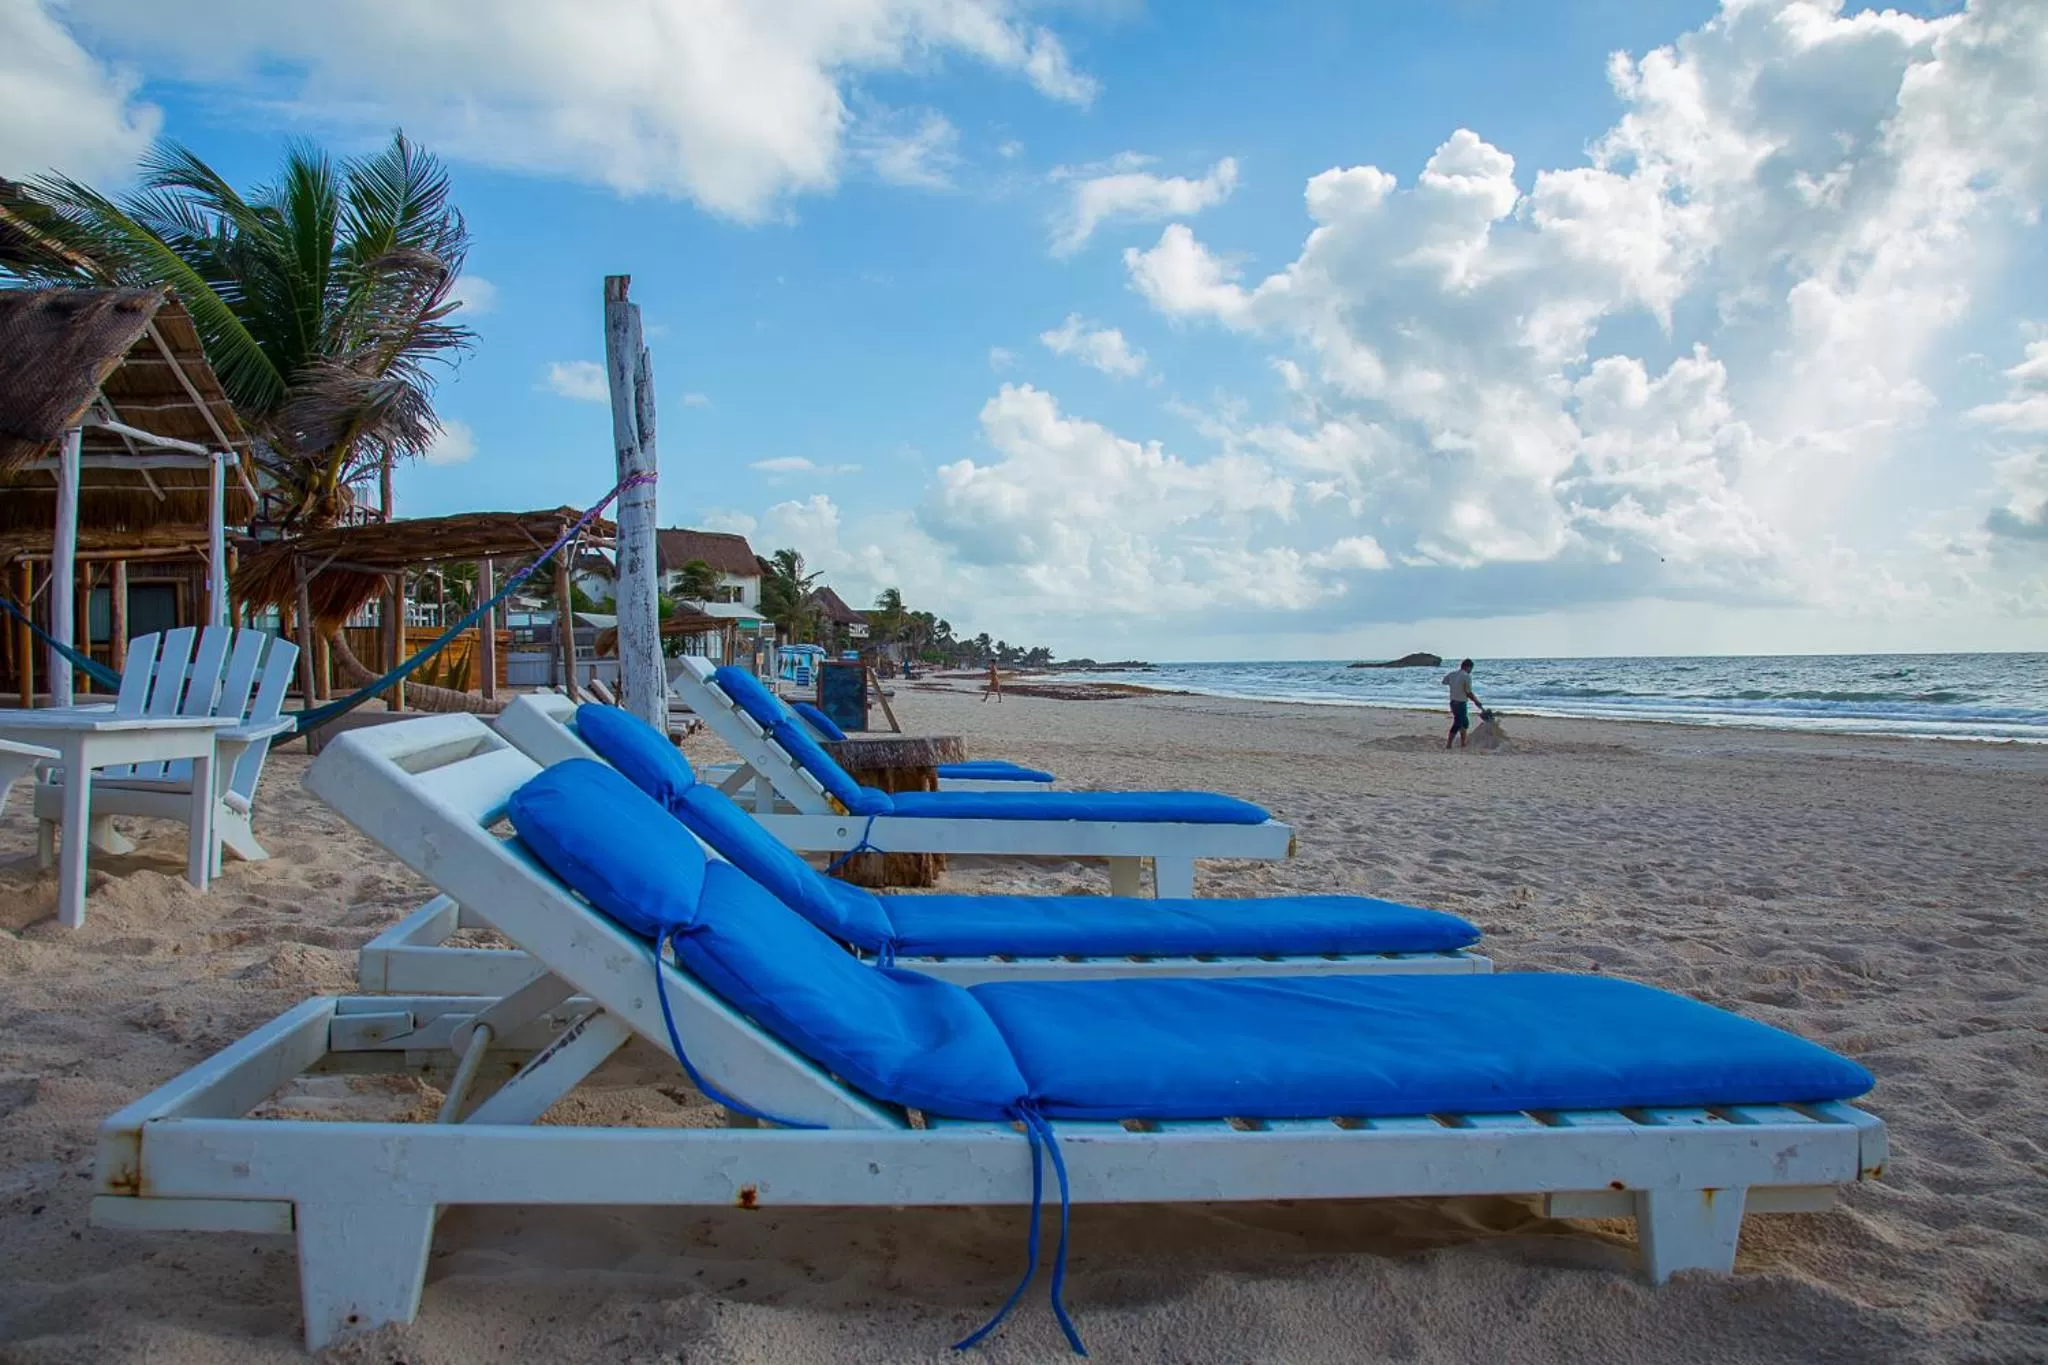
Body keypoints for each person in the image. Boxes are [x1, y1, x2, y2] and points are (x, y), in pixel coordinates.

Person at [1442, 658, 1482, 750]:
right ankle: (1449, 744)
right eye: (1471, 668)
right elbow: (1468, 692)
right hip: (1460, 703)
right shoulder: (1466, 676)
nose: (1471, 671)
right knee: (1458, 723)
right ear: (1468, 667)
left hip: (1453, 702)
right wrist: (1476, 701)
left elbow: (1444, 681)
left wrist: (1454, 685)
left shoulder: (1452, 674)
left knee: (1464, 723)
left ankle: (1463, 743)